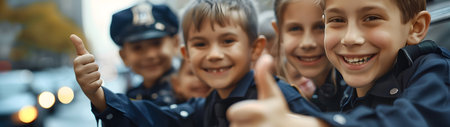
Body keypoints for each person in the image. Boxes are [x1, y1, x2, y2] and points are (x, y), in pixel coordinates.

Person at [69, 0, 315, 126]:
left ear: (255, 48)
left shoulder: (280, 100)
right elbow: (159, 118)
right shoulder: (209, 102)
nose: (214, 54)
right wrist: (99, 95)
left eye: (228, 41)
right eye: (201, 44)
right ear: (186, 53)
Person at [228, 0, 450, 126]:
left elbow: (416, 119)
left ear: (416, 28)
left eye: (371, 18)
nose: (350, 38)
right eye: (337, 20)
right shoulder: (354, 91)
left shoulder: (434, 70)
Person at [272, 0, 347, 111]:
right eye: (295, 28)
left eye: (320, 27)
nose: (307, 43)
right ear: (279, 32)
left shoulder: (355, 89)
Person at [110, 2, 180, 105]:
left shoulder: (191, 90)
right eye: (137, 48)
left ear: (175, 44)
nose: (150, 55)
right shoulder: (131, 97)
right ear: (124, 56)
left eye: (157, 43)